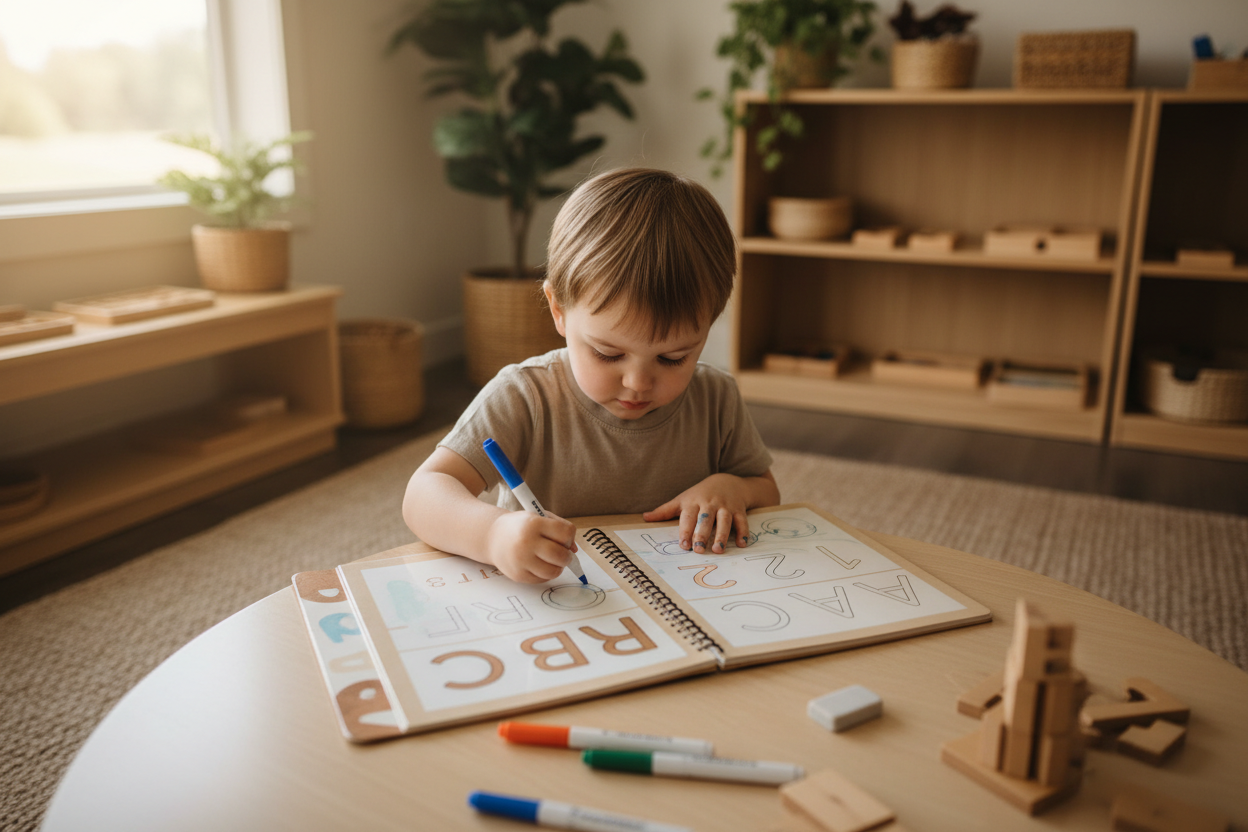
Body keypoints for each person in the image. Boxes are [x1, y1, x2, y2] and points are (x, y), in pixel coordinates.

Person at [402, 168, 779, 583]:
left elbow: (763, 487)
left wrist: (733, 488)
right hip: (556, 605)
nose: (637, 382)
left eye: (673, 358)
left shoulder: (716, 397)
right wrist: (493, 533)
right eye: (608, 353)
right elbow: (425, 493)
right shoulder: (524, 396)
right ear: (558, 309)